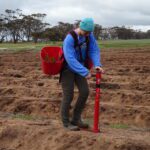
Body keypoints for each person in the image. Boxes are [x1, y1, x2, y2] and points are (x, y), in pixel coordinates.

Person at [60, 18, 104, 131]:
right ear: (81, 28)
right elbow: (70, 58)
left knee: (85, 92)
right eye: (86, 32)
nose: (88, 34)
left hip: (80, 67)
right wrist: (85, 72)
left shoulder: (89, 36)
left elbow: (94, 50)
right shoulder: (70, 38)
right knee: (68, 95)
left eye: (90, 32)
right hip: (67, 69)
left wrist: (97, 64)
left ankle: (76, 119)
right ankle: (66, 122)